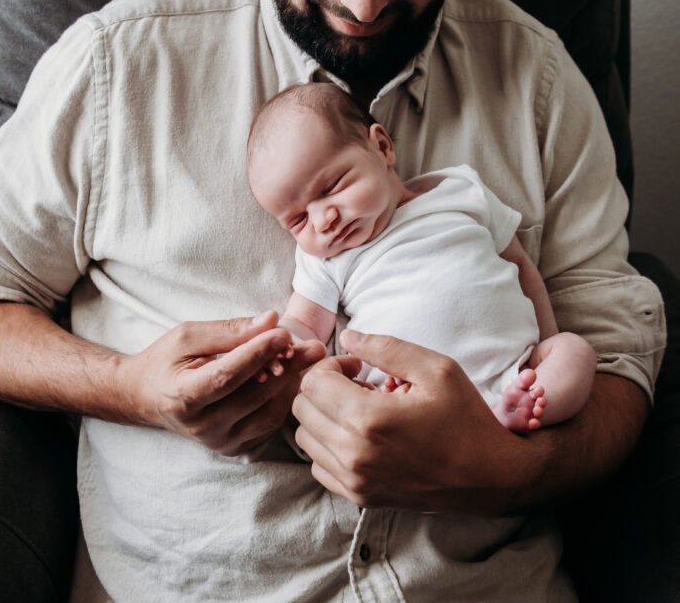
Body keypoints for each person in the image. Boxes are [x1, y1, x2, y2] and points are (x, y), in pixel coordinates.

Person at [0, 0, 665, 603]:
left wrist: (496, 465)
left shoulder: (537, 81)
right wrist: (131, 386)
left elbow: (620, 351)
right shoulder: (116, 69)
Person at [247, 81, 597, 433]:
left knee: (574, 352)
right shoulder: (323, 260)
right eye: (298, 219)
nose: (324, 220)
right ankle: (479, 424)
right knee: (354, 407)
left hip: (515, 371)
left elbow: (520, 266)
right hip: (408, 394)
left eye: (332, 187)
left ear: (381, 147)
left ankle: (515, 412)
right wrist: (278, 345)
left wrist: (546, 347)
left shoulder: (460, 190)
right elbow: (306, 325)